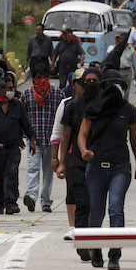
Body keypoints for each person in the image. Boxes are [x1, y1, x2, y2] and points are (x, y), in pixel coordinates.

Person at [77, 69, 136, 270]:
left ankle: (114, 254)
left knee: (116, 208)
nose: (114, 90)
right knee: (96, 212)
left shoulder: (129, 110)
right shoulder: (93, 108)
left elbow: (134, 140)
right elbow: (82, 135)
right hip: (96, 168)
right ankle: (95, 248)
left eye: (118, 86)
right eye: (110, 86)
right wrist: (84, 150)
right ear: (103, 88)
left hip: (120, 168)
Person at [57, 67, 102, 262]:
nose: (91, 83)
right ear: (81, 83)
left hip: (100, 162)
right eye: (88, 80)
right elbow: (65, 136)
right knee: (82, 203)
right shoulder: (72, 106)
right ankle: (84, 243)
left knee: (96, 205)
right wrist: (61, 163)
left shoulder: (104, 106)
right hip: (76, 162)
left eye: (95, 80)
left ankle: (93, 242)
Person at [0, 76, 34, 215]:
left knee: (11, 175)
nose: (12, 91)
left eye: (13, 88)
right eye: (9, 88)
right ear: (1, 89)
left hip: (13, 148)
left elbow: (26, 125)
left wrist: (32, 141)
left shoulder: (17, 105)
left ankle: (11, 204)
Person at [20, 65, 65, 213]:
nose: (41, 81)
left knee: (48, 171)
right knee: (33, 168)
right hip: (33, 140)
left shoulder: (58, 94)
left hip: (52, 141)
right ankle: (31, 197)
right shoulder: (26, 95)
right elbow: (21, 118)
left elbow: (63, 117)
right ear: (34, 79)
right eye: (38, 78)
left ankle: (46, 201)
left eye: (43, 77)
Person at [50, 68, 84, 241]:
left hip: (92, 155)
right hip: (71, 155)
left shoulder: (98, 103)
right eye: (80, 83)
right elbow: (58, 134)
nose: (84, 86)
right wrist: (56, 159)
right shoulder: (66, 104)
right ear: (74, 85)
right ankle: (73, 226)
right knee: (72, 190)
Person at [108, 34, 136, 99]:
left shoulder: (131, 50)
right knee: (117, 88)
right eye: (120, 39)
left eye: (123, 38)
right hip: (117, 71)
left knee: (126, 89)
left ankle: (125, 104)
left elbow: (135, 63)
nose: (122, 40)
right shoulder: (115, 49)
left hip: (127, 71)